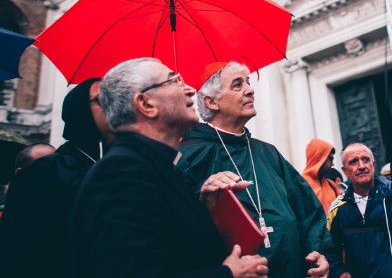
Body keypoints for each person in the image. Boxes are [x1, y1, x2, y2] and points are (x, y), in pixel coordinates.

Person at [70, 58, 268, 278]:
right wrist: (229, 273)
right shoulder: (120, 173)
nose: (191, 90)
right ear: (146, 104)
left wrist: (208, 210)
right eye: (174, 81)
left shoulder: (160, 166)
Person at [177, 61, 330, 278]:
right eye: (237, 85)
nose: (250, 90)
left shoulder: (268, 152)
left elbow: (308, 210)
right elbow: (182, 230)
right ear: (211, 102)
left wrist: (319, 253)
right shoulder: (187, 157)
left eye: (248, 82)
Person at [0, 78, 114, 278]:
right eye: (101, 100)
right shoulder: (46, 172)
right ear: (79, 111)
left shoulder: (123, 168)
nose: (113, 106)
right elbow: (17, 246)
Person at [326, 143, 392, 278]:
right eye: (354, 162)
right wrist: (340, 272)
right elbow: (327, 248)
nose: (361, 166)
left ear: (373, 164)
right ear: (345, 170)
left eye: (365, 160)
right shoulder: (338, 208)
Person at [302, 138, 341, 214]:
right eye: (330, 159)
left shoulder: (332, 185)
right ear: (319, 157)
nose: (333, 164)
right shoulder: (300, 185)